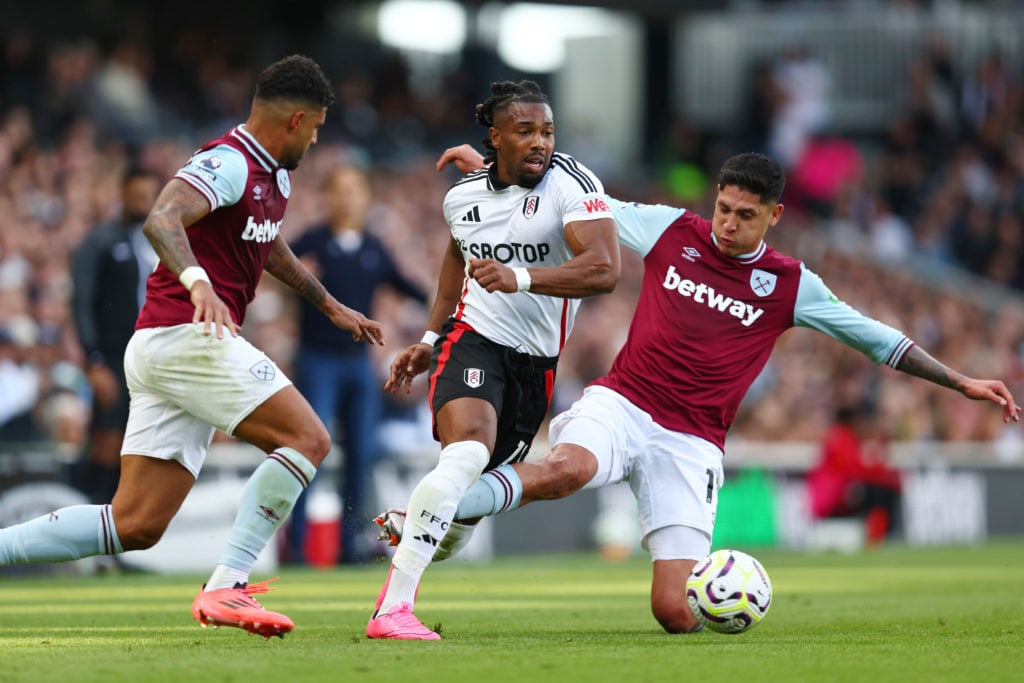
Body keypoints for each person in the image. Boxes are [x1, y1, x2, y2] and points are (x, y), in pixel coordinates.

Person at [377, 145, 1021, 636]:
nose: (728, 224)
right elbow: (571, 195)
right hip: (623, 403)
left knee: (674, 613)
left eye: (746, 215)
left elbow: (878, 339)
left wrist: (960, 380)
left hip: (692, 442)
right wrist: (496, 166)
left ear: (774, 216)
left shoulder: (792, 284)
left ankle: (445, 510)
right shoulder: (669, 229)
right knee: (567, 468)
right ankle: (441, 508)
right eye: (723, 208)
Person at [0, 55, 385, 638]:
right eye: (317, 128)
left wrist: (328, 304)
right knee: (307, 438)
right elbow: (162, 218)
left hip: (163, 345)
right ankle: (228, 586)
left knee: (134, 524)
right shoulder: (229, 161)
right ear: (297, 119)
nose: (315, 139)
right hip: (189, 334)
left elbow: (266, 242)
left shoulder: (269, 176)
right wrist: (198, 282)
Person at [365, 80, 620, 640]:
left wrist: (521, 277)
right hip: (474, 342)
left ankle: (417, 528)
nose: (540, 142)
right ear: (496, 137)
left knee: (460, 523)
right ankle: (392, 612)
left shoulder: (571, 185)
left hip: (536, 368)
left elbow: (605, 269)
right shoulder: (461, 197)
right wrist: (432, 341)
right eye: (525, 131)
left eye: (547, 131)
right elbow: (457, 259)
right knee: (464, 457)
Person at [286, 164, 427, 566]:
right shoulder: (310, 243)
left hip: (358, 363)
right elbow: (271, 272)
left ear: (366, 197)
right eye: (340, 189)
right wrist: (294, 281)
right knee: (310, 449)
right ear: (328, 196)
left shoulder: (374, 248)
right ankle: (296, 549)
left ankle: (349, 547)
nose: (348, 197)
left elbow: (406, 286)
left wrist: (446, 301)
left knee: (361, 455)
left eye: (355, 189)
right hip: (317, 360)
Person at [70, 166, 160, 504]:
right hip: (111, 357)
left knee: (135, 447)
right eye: (136, 196)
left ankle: (114, 543)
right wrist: (93, 360)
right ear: (122, 194)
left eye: (148, 197)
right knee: (106, 441)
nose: (142, 203)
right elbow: (82, 300)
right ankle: (87, 520)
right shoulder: (101, 240)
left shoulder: (155, 242)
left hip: (148, 359)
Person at [806, 400, 902, 546]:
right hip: (833, 497)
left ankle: (879, 534)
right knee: (878, 492)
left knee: (877, 490)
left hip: (831, 495)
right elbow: (855, 470)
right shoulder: (842, 439)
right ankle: (881, 536)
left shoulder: (836, 437)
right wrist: (885, 475)